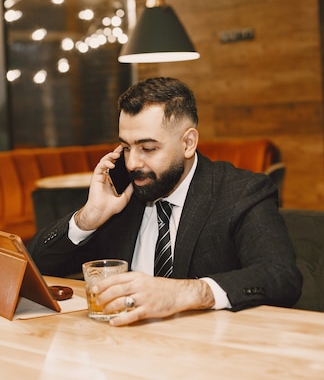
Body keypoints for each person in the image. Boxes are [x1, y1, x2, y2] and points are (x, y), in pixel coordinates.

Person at [28, 77, 302, 326]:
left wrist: (184, 293)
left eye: (148, 148)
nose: (133, 162)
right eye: (126, 147)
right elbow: (35, 269)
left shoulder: (241, 192)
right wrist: (88, 217)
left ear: (188, 143)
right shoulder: (120, 193)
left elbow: (280, 277)